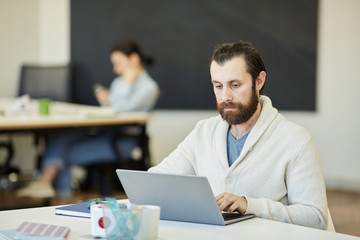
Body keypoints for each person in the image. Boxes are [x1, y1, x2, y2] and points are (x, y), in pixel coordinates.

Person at [148, 40, 329, 230]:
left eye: (235, 85)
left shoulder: (296, 140)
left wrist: (250, 205)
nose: (226, 96)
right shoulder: (203, 132)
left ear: (259, 81)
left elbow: (315, 217)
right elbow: (156, 180)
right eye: (218, 86)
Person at [17, 40, 160, 201]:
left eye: (118, 63)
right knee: (60, 137)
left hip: (123, 141)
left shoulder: (149, 87)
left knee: (64, 154)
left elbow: (120, 109)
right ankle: (51, 190)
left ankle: (58, 197)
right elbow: (114, 108)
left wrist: (128, 82)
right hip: (105, 134)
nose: (115, 69)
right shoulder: (118, 82)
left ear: (134, 59)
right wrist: (108, 100)